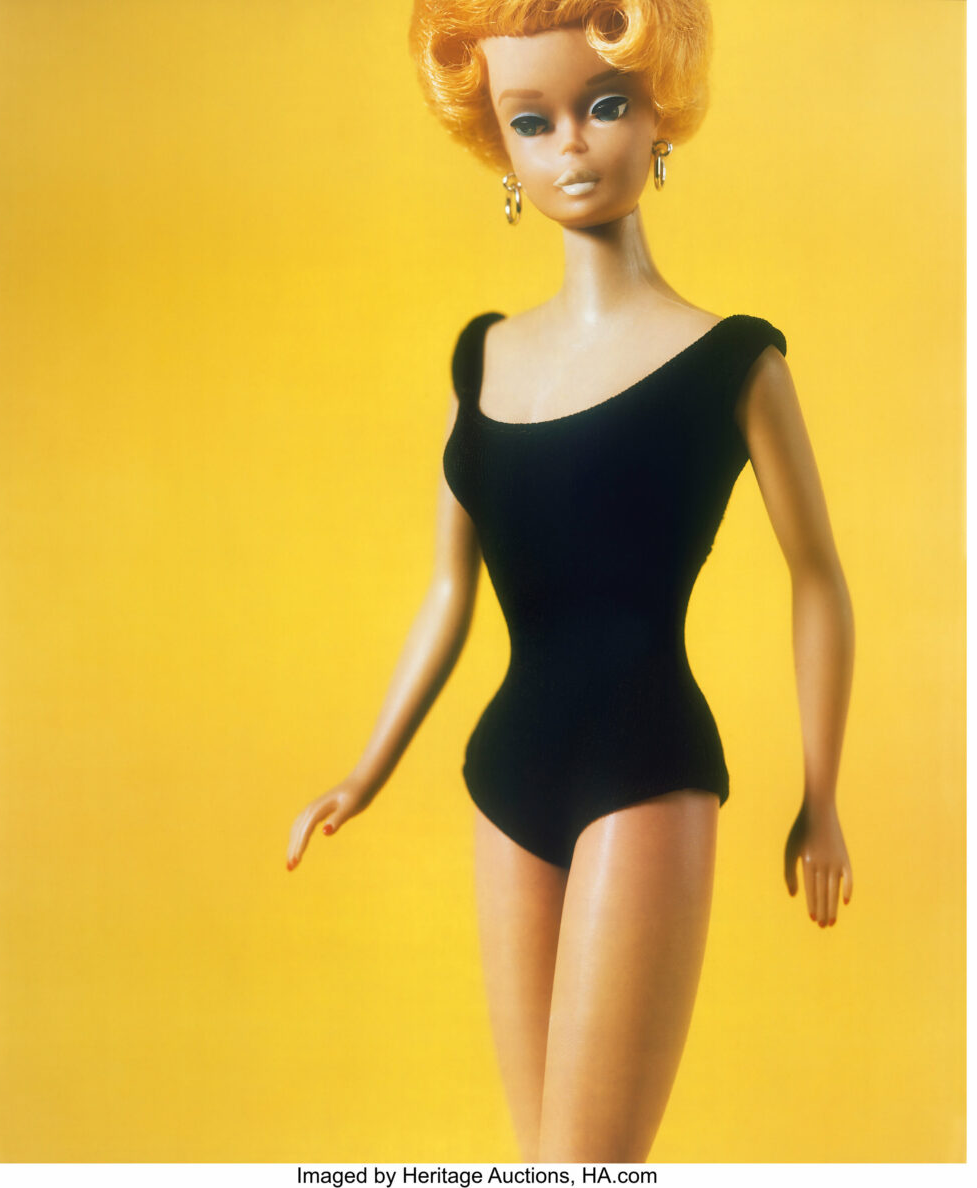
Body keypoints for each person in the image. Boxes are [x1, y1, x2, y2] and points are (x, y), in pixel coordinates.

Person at [287, 0, 855, 1163]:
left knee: (588, 1163)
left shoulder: (734, 362)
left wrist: (822, 792)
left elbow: (817, 579)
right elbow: (447, 593)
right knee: (537, 1161)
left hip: (645, 771)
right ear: (498, 146)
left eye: (603, 105)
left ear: (660, 113)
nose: (573, 147)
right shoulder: (482, 357)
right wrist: (364, 769)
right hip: (504, 776)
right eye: (531, 121)